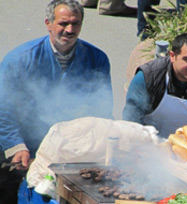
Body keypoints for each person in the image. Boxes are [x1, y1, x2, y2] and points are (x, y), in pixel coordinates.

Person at [0, 0, 113, 203]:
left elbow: (102, 110)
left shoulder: (97, 59)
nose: (69, 30)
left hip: (70, 150)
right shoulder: (20, 59)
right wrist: (16, 146)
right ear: (48, 23)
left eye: (75, 24)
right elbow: (3, 108)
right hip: (26, 145)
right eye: (63, 23)